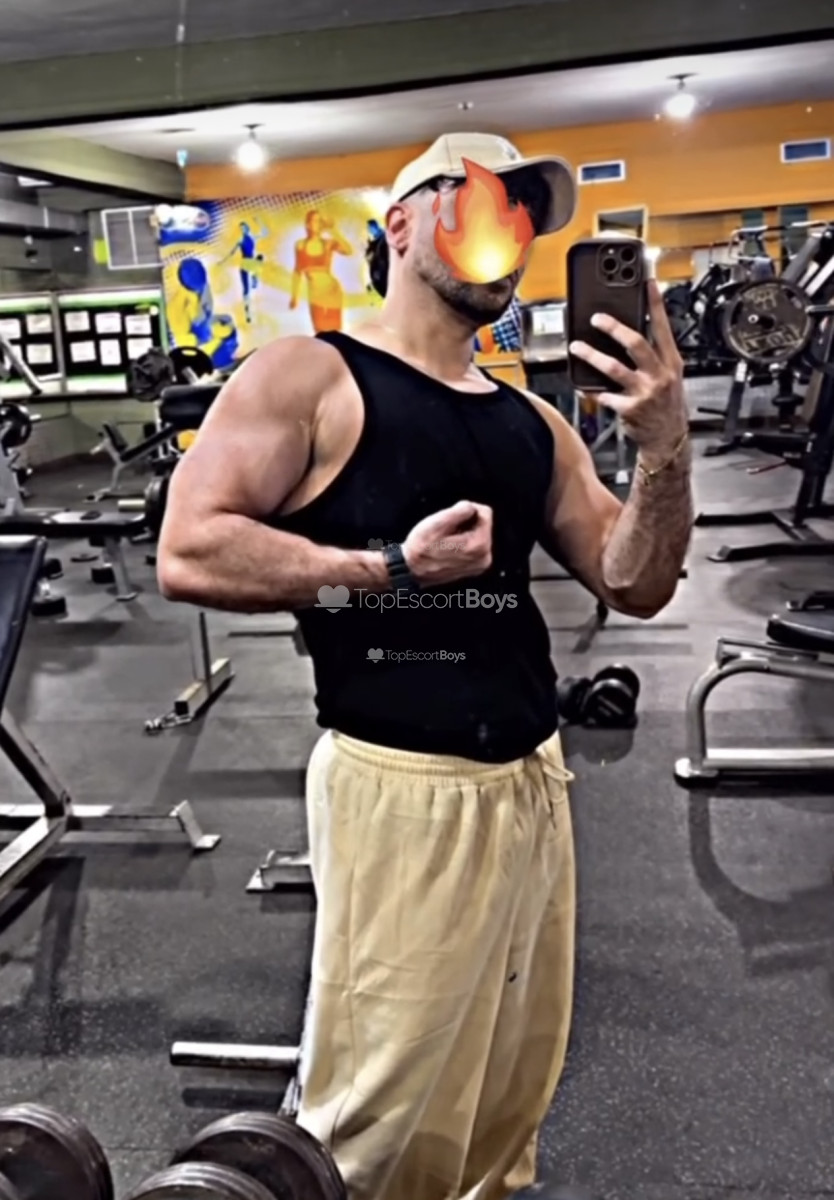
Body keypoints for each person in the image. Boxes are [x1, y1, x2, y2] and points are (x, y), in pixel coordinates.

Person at [157, 131, 693, 1200]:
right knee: (379, 1118)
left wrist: (666, 449)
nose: (510, 232)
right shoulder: (311, 374)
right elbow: (189, 549)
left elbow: (635, 582)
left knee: (506, 1093)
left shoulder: (532, 420)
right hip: (401, 786)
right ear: (400, 224)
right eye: (482, 202)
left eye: (524, 219)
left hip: (532, 782)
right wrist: (388, 569)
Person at [290, 210, 354, 332]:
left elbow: (348, 251)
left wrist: (333, 230)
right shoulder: (300, 245)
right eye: (314, 220)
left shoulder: (328, 243)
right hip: (315, 294)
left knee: (335, 332)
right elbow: (297, 271)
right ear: (307, 224)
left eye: (320, 221)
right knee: (319, 332)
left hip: (332, 290)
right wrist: (294, 296)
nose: (317, 223)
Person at [220, 220, 267, 324]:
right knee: (246, 290)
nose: (243, 230)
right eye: (241, 229)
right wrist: (223, 261)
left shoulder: (252, 237)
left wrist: (258, 221)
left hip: (251, 263)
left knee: (259, 261)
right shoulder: (241, 239)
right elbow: (232, 252)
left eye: (244, 228)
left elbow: (265, 233)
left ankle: (255, 281)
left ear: (248, 228)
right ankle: (248, 313)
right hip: (245, 264)